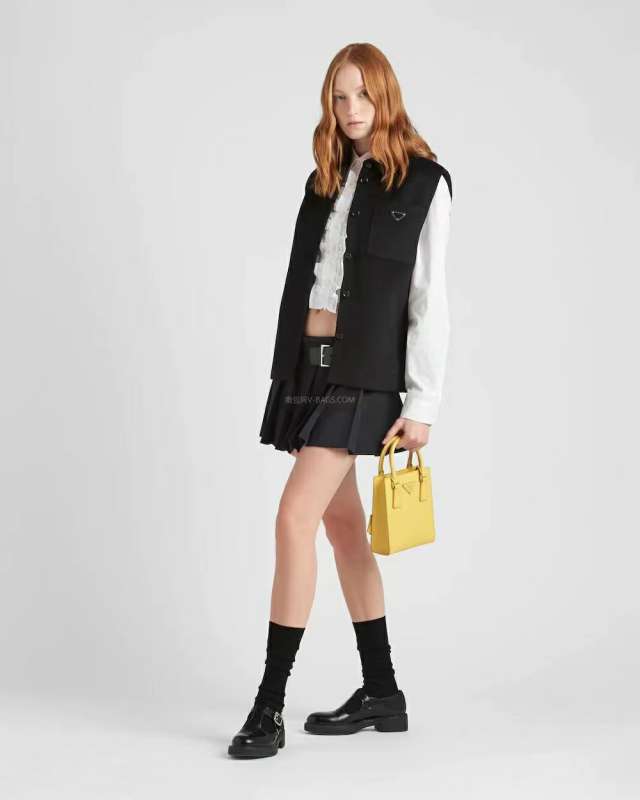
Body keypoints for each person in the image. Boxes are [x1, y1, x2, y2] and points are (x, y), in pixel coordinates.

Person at [228, 42, 453, 759]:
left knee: (293, 518)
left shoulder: (424, 183)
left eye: (362, 94)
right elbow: (311, 281)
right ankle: (382, 691)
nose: (351, 109)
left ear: (385, 95)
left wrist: (423, 404)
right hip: (311, 369)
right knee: (342, 527)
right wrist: (290, 370)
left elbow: (429, 299)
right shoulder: (324, 179)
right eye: (339, 96)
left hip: (363, 375)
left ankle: (268, 705)